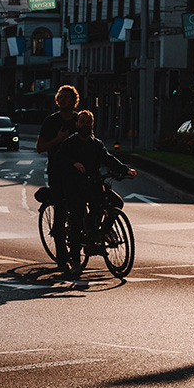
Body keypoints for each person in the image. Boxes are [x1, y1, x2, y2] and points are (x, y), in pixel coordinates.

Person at [47, 109, 134, 271]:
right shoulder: (70, 143)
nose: (85, 125)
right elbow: (60, 160)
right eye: (82, 122)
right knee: (76, 220)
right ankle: (75, 260)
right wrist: (74, 164)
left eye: (88, 122)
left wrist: (125, 170)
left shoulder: (96, 144)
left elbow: (108, 158)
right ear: (77, 124)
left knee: (116, 203)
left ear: (92, 125)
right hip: (74, 186)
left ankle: (101, 233)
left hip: (94, 184)